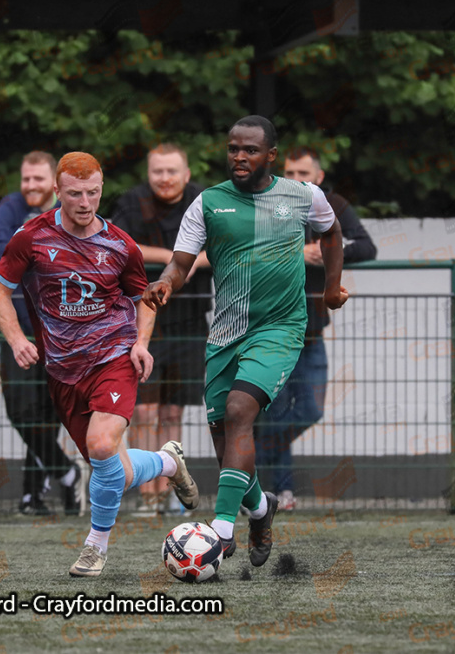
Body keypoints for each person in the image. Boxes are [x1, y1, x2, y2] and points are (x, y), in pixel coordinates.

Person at [142, 116, 348, 569]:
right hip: (225, 333)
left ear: (270, 156)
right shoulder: (208, 202)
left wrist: (332, 286)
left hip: (280, 327)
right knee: (224, 437)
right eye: (233, 148)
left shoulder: (303, 196)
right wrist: (165, 282)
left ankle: (219, 529)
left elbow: (332, 233)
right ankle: (260, 509)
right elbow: (181, 263)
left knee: (240, 412)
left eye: (250, 150)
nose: (239, 156)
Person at [0, 151, 199, 577]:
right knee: (114, 473)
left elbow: (146, 299)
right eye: (74, 194)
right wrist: (16, 339)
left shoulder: (120, 245)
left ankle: (94, 548)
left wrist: (140, 344)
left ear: (101, 189)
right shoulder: (31, 237)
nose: (85, 202)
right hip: (63, 370)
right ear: (57, 191)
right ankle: (168, 463)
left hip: (113, 357)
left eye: (92, 193)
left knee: (102, 448)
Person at [255, 147, 377, 511]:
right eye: (289, 173)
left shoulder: (333, 203)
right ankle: (281, 493)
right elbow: (246, 251)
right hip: (269, 327)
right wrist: (296, 253)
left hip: (311, 329)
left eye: (303, 174)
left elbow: (367, 247)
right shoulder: (265, 202)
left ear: (318, 178)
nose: (295, 180)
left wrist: (321, 251)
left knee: (310, 410)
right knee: (275, 411)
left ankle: (251, 458)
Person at [109, 143, 210, 516]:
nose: (165, 178)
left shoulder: (205, 200)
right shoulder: (132, 203)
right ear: (148, 174)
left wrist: (193, 261)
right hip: (142, 321)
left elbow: (222, 247)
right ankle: (146, 492)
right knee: (146, 413)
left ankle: (172, 488)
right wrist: (176, 260)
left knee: (171, 413)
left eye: (172, 171)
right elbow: (123, 245)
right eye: (158, 171)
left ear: (186, 173)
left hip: (190, 320)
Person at [0, 151, 81, 517]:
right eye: (26, 179)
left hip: (61, 330)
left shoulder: (71, 206)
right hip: (16, 331)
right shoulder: (9, 206)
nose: (30, 186)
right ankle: (66, 472)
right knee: (20, 411)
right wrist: (43, 246)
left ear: (54, 183)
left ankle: (33, 496)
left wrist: (28, 247)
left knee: (47, 413)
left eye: (38, 179)